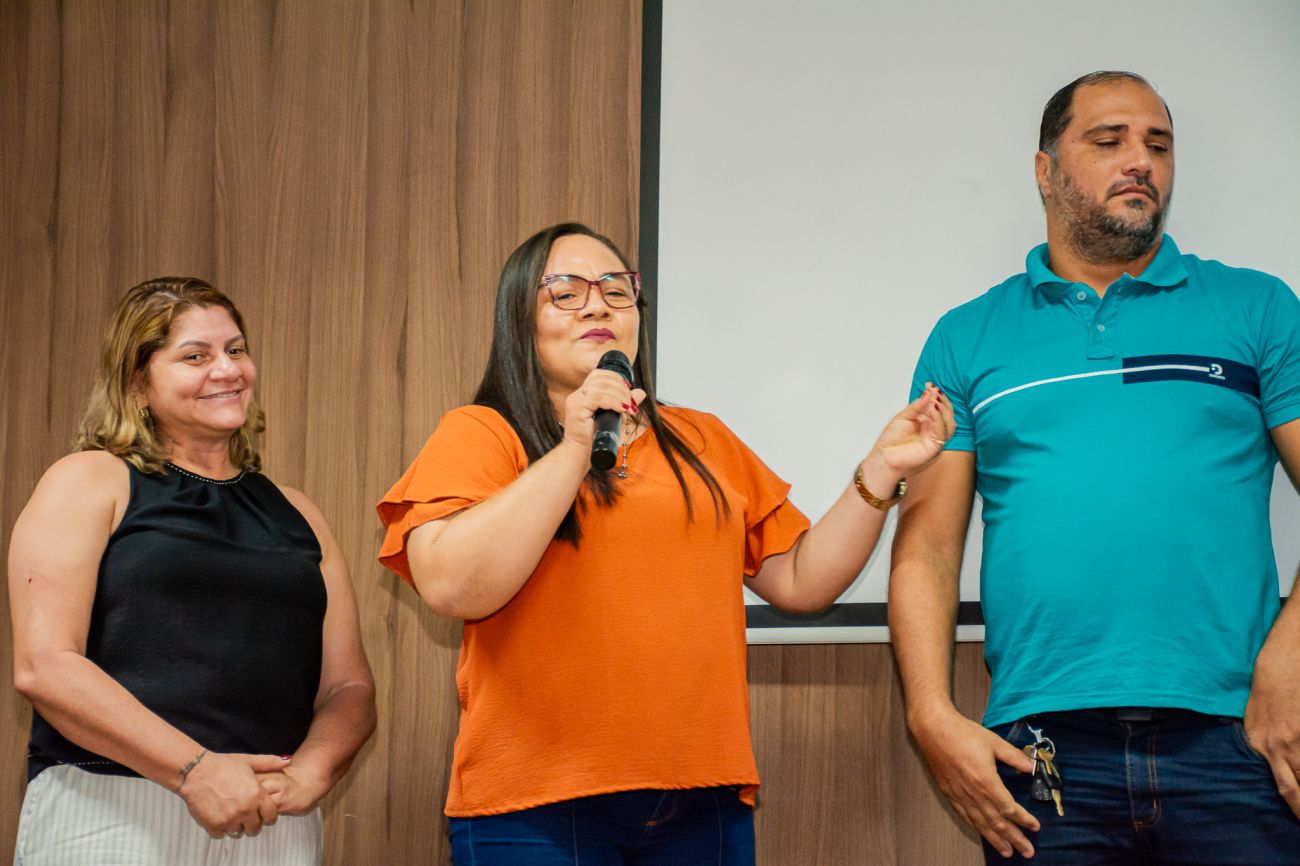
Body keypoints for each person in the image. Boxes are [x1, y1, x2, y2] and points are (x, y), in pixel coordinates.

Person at [376, 222, 954, 865]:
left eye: (616, 290)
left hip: (699, 801)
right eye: (565, 292)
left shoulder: (701, 439)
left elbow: (801, 579)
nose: (597, 306)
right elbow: (452, 585)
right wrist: (574, 447)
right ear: (519, 320)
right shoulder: (482, 432)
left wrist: (881, 468)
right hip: (536, 806)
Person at [889, 71, 1300, 864]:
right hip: (1043, 753)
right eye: (1109, 141)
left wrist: (1290, 659)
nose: (1140, 160)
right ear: (1045, 171)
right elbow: (929, 547)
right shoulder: (966, 337)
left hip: (1239, 739)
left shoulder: (1259, 308)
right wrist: (930, 714)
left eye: (1159, 146)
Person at [8, 277, 376, 865]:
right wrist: (194, 770)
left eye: (235, 350)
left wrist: (311, 771)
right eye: (195, 356)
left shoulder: (298, 512)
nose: (227, 370)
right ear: (138, 384)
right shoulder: (89, 479)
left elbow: (348, 687)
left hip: (270, 814)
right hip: (114, 806)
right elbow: (45, 666)